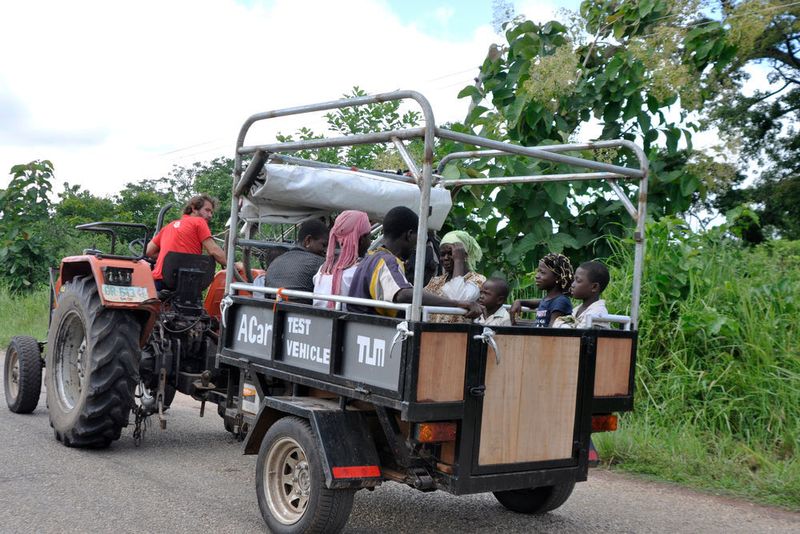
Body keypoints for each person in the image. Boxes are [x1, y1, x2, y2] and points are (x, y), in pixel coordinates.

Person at [347, 206, 482, 319]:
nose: (416, 246)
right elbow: (403, 294)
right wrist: (457, 304)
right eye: (417, 238)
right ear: (409, 235)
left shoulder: (370, 257)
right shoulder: (387, 261)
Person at [146, 194, 226, 290]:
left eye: (211, 212)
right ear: (194, 208)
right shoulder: (199, 222)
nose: (210, 215)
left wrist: (170, 259)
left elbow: (148, 251)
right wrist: (233, 265)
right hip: (185, 283)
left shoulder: (168, 226)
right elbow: (213, 250)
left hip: (158, 282)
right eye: (207, 210)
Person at [258, 218, 328, 304]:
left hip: (273, 311)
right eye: (324, 245)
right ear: (308, 241)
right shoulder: (320, 263)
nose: (326, 251)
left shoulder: (276, 261)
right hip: (304, 314)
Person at [312, 210, 372, 309]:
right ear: (362, 240)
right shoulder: (362, 270)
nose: (370, 242)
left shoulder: (323, 269)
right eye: (369, 237)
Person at [424, 230, 486, 323]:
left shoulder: (477, 280)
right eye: (442, 254)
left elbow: (457, 298)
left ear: (464, 255)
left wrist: (458, 261)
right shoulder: (436, 281)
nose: (445, 258)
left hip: (460, 334)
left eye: (450, 253)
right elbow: (420, 298)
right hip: (433, 333)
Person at [509, 253, 574, 327]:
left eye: (542, 272)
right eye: (538, 271)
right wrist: (519, 301)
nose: (537, 276)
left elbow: (553, 333)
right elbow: (542, 302)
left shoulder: (561, 302)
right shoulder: (550, 299)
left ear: (557, 278)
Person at [553, 261, 611, 329]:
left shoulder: (598, 312)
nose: (572, 285)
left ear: (594, 287)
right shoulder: (576, 310)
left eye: (578, 281)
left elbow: (577, 333)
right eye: (574, 280)